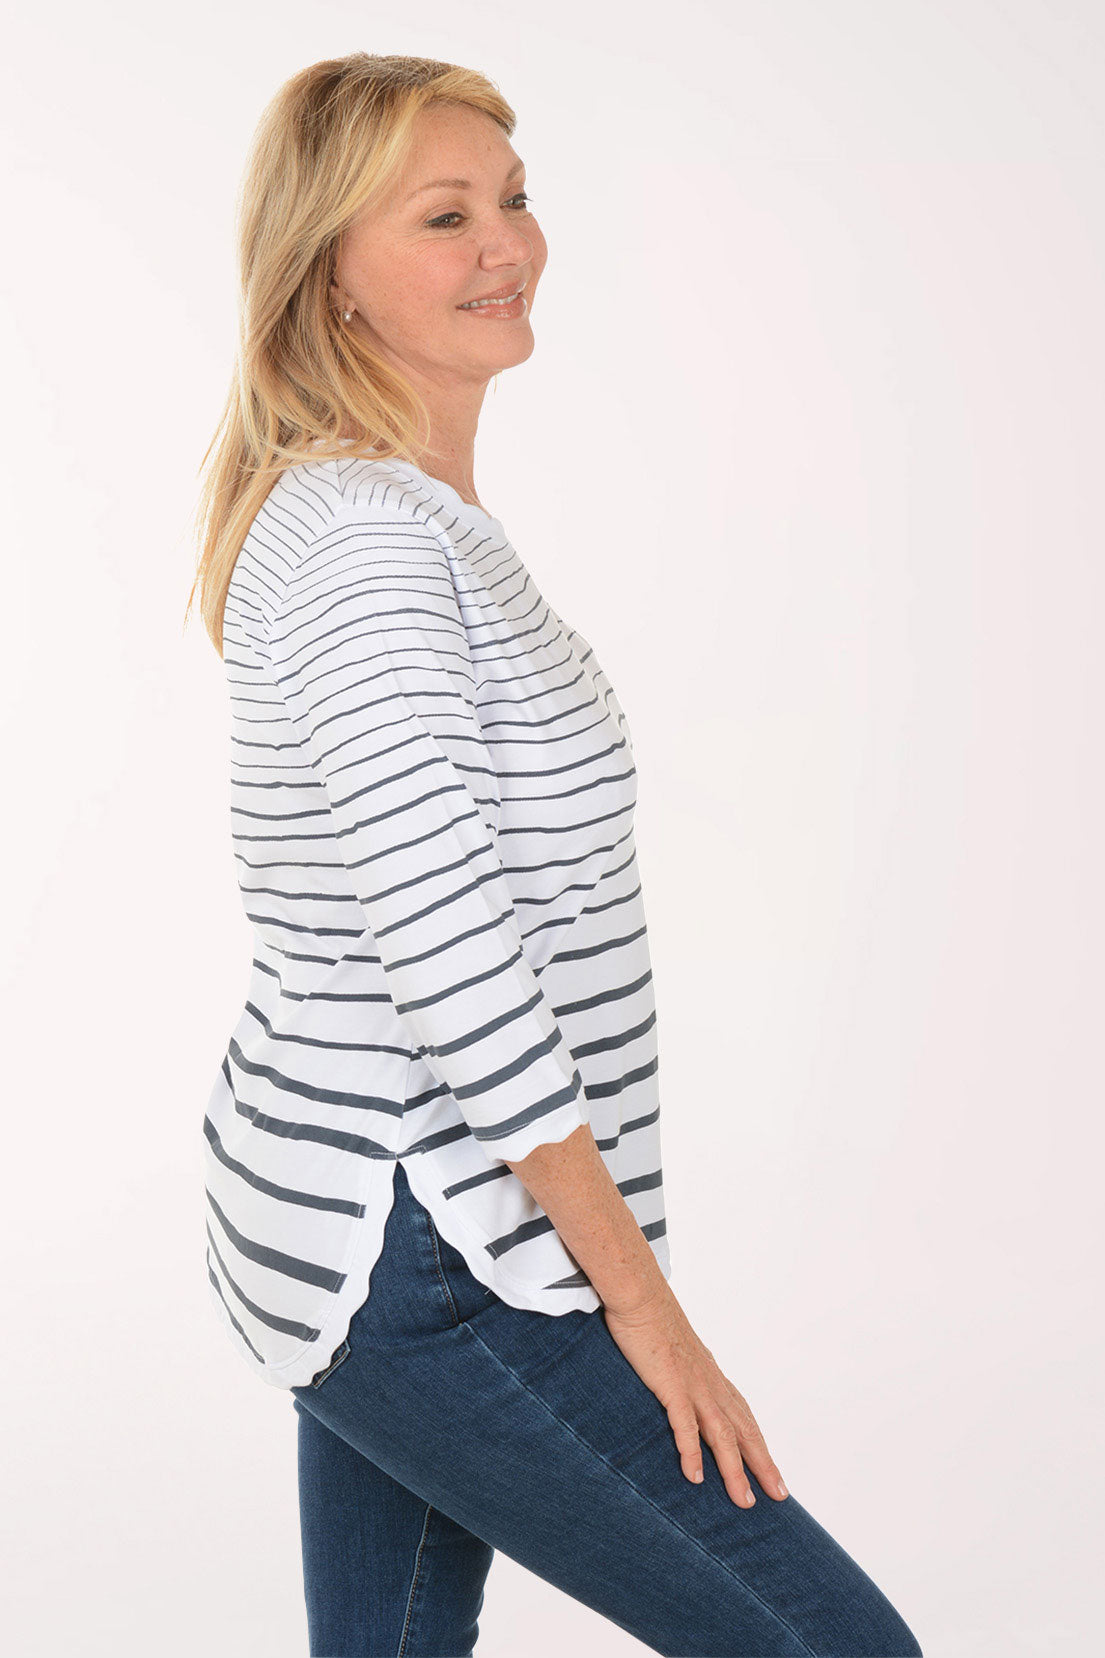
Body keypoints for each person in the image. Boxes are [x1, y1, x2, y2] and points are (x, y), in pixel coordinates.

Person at [187, 51, 924, 1658]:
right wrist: (648, 1318)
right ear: (332, 276)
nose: (504, 245)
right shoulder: (365, 542)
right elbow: (450, 960)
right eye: (443, 216)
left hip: (372, 1220)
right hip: (426, 1238)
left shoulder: (400, 517)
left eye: (511, 199)